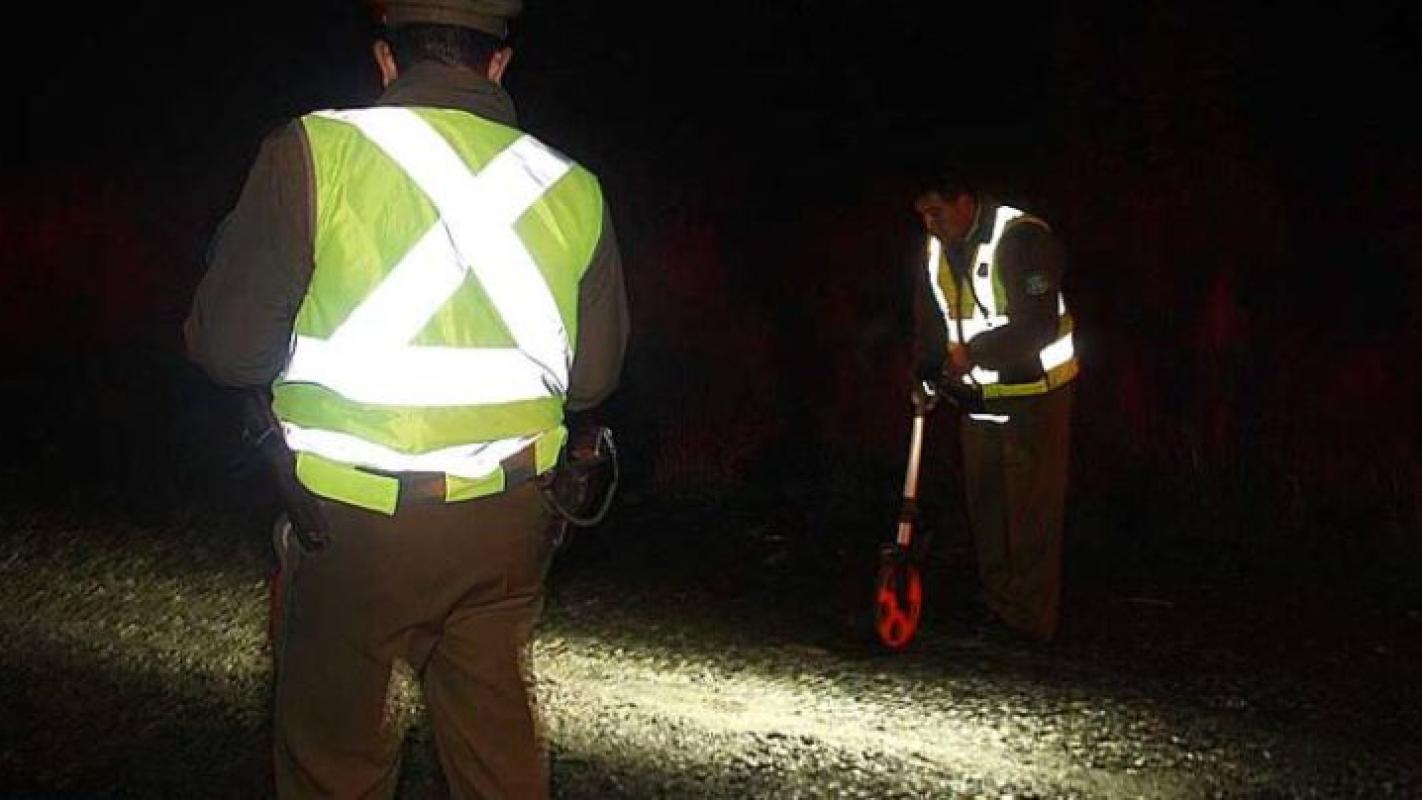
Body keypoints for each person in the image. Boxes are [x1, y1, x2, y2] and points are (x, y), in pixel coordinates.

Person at [184, 0, 629, 795]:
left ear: (386, 60)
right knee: (498, 759)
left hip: (351, 526)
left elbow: (229, 353)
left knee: (334, 763)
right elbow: (593, 379)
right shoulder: (574, 186)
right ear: (500, 65)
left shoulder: (311, 152)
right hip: (510, 524)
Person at [911, 168, 1077, 642]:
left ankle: (1031, 621)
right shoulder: (936, 249)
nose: (930, 224)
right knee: (986, 506)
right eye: (922, 215)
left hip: (1035, 393)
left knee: (1032, 510)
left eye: (936, 212)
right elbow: (932, 322)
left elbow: (1038, 325)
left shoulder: (1022, 237)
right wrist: (924, 375)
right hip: (978, 396)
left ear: (964, 202)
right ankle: (1000, 606)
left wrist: (974, 354)